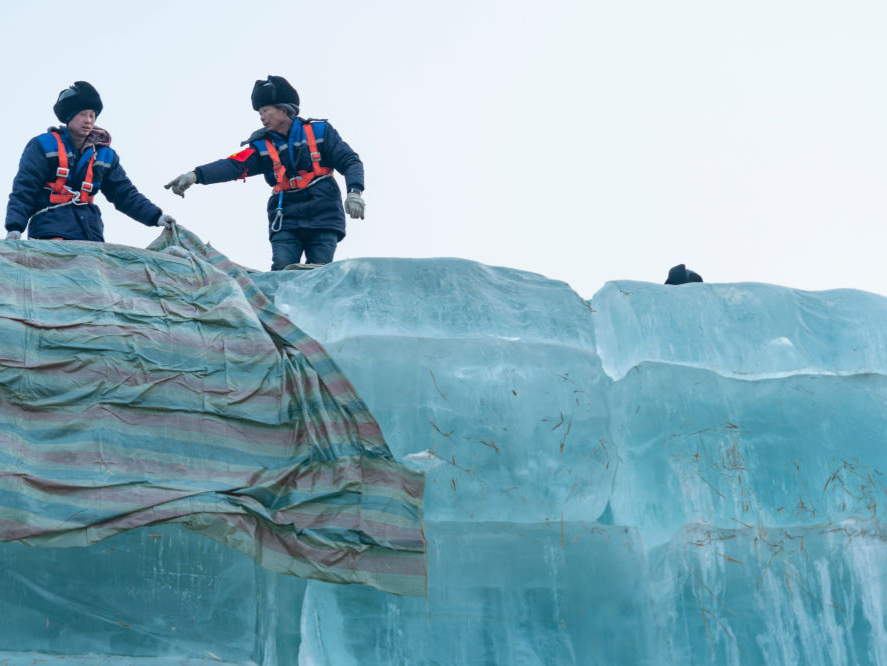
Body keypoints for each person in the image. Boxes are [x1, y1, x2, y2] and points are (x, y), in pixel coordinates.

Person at [164, 75, 365, 270]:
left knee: (320, 273)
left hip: (324, 214)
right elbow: (233, 165)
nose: (261, 116)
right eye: (259, 112)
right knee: (282, 270)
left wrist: (354, 192)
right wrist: (195, 175)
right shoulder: (261, 147)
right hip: (285, 217)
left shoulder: (321, 132)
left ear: (284, 110)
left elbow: (350, 161)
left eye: (265, 110)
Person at [4, 81, 175, 242]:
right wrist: (15, 227)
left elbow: (124, 194)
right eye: (83, 114)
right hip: (51, 230)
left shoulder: (105, 155)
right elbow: (25, 188)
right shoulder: (43, 145)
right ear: (69, 117)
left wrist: (156, 217)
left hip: (90, 235)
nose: (89, 120)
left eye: (93, 115)